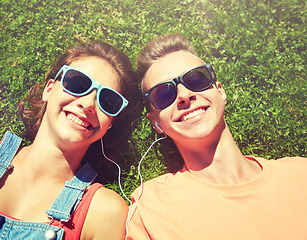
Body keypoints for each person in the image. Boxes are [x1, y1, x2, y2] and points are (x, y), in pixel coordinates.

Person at [0, 40, 139, 239]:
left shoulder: (104, 212)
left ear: (110, 122)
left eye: (108, 101)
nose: (88, 104)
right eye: (78, 83)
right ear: (48, 89)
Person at [126, 33, 307, 240]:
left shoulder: (301, 174)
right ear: (156, 123)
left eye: (196, 79)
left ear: (220, 91)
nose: (184, 95)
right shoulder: (150, 208)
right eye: (164, 93)